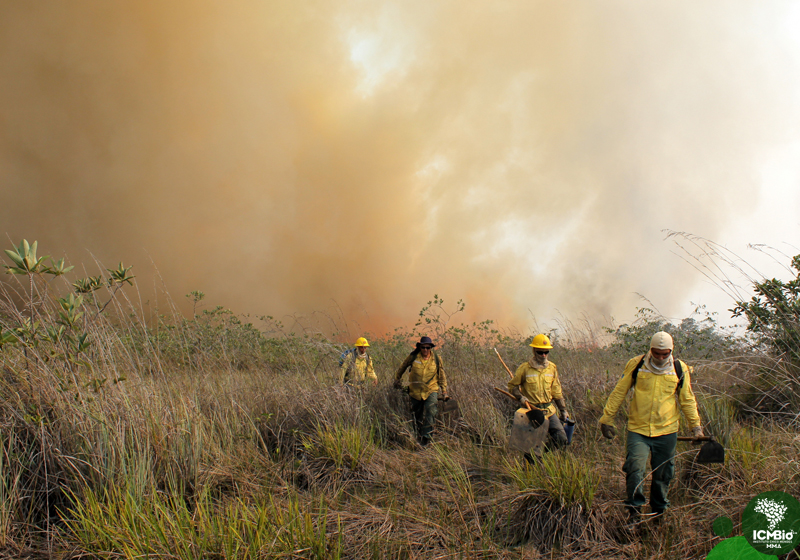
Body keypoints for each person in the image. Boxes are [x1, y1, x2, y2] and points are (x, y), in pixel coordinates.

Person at [598, 331, 703, 520]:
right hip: (638, 429)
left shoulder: (680, 368)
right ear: (650, 349)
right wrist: (607, 418)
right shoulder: (637, 364)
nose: (661, 358)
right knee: (635, 469)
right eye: (656, 353)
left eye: (665, 354)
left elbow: (687, 399)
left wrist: (696, 427)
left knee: (663, 474)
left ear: (671, 351)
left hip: (667, 431)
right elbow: (619, 391)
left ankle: (658, 513)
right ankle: (634, 513)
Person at [508, 334, 570, 452]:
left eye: (546, 352)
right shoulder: (525, 368)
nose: (543, 355)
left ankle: (544, 454)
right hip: (532, 412)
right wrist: (520, 397)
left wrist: (563, 410)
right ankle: (533, 460)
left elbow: (556, 392)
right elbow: (512, 386)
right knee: (530, 447)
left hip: (549, 411)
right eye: (540, 352)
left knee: (561, 439)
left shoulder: (552, 368)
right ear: (534, 351)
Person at [394, 336, 448, 446]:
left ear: (431, 348)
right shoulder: (413, 357)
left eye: (428, 347)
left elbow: (441, 375)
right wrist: (397, 379)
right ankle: (417, 435)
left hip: (431, 390)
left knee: (431, 411)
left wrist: (444, 391)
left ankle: (426, 438)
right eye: (423, 347)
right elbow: (403, 367)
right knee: (416, 414)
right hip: (415, 391)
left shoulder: (436, 359)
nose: (425, 350)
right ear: (420, 347)